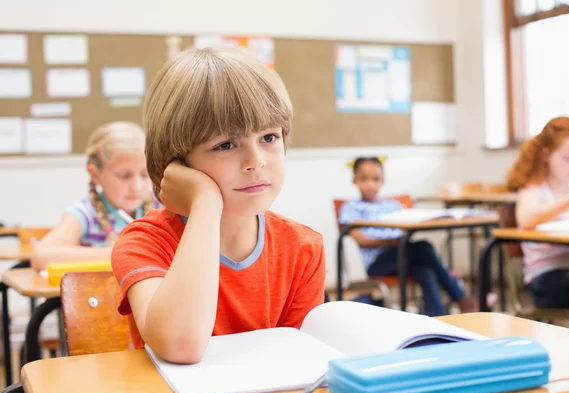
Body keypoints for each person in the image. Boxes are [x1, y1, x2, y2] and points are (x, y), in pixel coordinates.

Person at [111, 47, 326, 364]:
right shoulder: (144, 242)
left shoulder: (303, 248)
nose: (256, 162)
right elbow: (179, 346)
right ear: (176, 162)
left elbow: (296, 363)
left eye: (269, 137)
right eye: (226, 145)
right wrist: (205, 200)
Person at [339, 156, 477, 316]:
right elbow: (362, 241)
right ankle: (460, 297)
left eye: (375, 179)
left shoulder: (393, 205)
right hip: (377, 263)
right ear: (354, 180)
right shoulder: (351, 208)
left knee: (425, 269)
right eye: (364, 179)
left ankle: (437, 319)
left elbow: (406, 229)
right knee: (423, 247)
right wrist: (393, 240)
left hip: (402, 255)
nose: (370, 184)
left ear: (382, 181)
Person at [506, 116, 569, 322]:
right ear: (546, 155)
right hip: (546, 278)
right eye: (568, 159)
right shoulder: (534, 188)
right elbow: (527, 217)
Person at [31, 121, 156, 270]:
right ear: (95, 174)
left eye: (145, 175)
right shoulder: (85, 213)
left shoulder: (161, 208)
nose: (137, 186)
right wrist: (122, 253)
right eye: (124, 176)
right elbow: (42, 256)